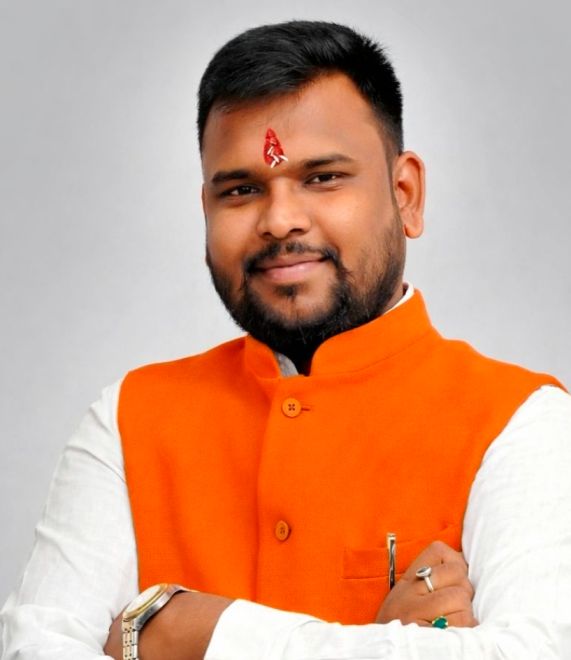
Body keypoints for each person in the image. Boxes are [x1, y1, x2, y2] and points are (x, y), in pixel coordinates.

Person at [2, 19, 571, 660]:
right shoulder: (128, 422)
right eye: (242, 190)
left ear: (405, 195)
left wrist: (197, 633)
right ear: (206, 209)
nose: (279, 221)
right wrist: (380, 641)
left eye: (323, 178)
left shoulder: (519, 422)